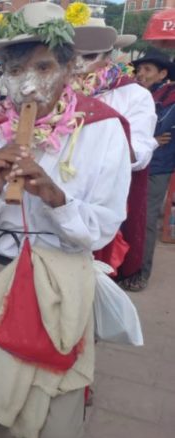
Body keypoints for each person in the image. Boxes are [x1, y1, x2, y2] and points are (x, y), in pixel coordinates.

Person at [0, 4, 131, 438]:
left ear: (69, 67)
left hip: (62, 273)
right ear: (1, 74)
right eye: (16, 68)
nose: (28, 83)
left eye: (42, 66)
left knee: (56, 410)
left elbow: (103, 227)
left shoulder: (102, 129)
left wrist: (56, 198)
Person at [71, 20, 158, 286]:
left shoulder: (134, 95)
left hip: (104, 197)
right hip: (61, 195)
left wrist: (104, 134)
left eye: (87, 56)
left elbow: (140, 154)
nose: (78, 64)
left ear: (109, 56)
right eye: (71, 55)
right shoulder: (56, 89)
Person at [127, 50, 175, 291]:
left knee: (145, 219)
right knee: (127, 216)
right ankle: (124, 266)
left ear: (162, 73)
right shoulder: (137, 95)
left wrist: (152, 138)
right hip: (133, 162)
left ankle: (140, 272)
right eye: (139, 69)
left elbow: (161, 131)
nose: (140, 74)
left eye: (147, 70)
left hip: (157, 166)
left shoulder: (170, 99)